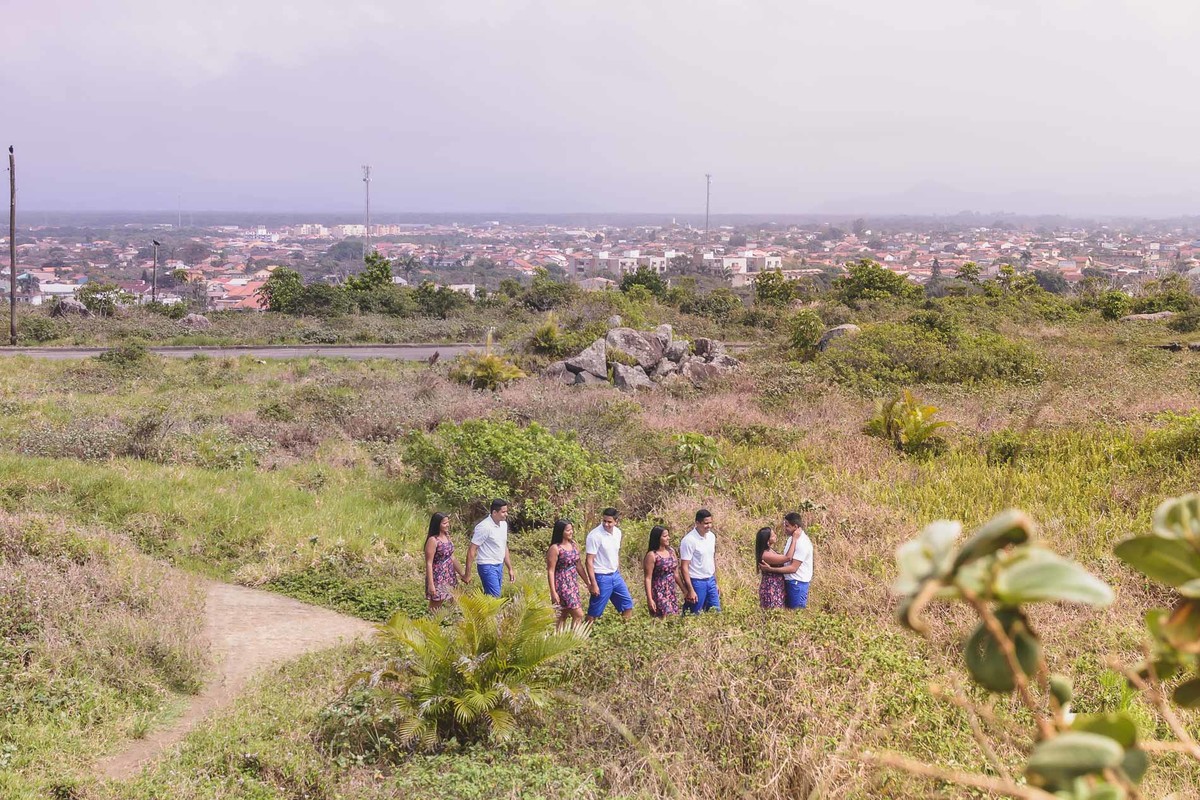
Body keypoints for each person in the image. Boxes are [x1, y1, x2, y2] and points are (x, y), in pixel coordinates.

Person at [583, 507, 634, 621]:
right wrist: (593, 583)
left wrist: (617, 570)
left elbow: (615, 554)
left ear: (616, 521)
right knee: (594, 612)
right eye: (604, 521)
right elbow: (589, 561)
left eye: (609, 522)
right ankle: (584, 635)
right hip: (601, 576)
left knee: (627, 605)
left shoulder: (618, 533)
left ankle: (624, 634)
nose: (606, 524)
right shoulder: (595, 536)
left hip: (615, 575)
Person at [759, 511, 813, 609]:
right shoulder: (792, 539)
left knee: (796, 614)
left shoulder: (801, 543)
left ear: (795, 527)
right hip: (788, 583)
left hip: (796, 583)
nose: (785, 529)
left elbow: (792, 568)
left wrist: (770, 569)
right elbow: (786, 559)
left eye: (787, 526)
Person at [465, 498, 514, 598]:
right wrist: (468, 573)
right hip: (487, 565)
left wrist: (510, 568)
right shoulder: (484, 527)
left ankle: (483, 613)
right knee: (495, 596)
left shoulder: (503, 525)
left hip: (499, 564)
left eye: (506, 511)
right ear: (494, 512)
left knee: (492, 597)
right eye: (503, 512)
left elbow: (504, 546)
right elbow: (472, 549)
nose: (506, 514)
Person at [679, 509, 721, 614]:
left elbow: (711, 560)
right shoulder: (689, 540)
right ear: (697, 523)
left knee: (715, 612)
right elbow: (684, 566)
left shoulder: (711, 537)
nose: (709, 526)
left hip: (710, 580)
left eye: (710, 522)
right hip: (697, 581)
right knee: (694, 613)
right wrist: (690, 590)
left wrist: (715, 582)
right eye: (706, 523)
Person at [546, 519, 584, 629]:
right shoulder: (555, 548)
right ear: (561, 531)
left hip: (572, 583)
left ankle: (560, 640)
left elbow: (579, 565)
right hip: (562, 584)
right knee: (578, 614)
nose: (571, 532)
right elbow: (551, 570)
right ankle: (574, 639)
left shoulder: (573, 545)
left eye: (571, 529)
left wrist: (588, 582)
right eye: (568, 530)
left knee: (563, 614)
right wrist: (553, 592)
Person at [424, 512, 466, 612]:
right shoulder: (433, 540)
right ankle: (432, 624)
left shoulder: (447, 536)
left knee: (455, 600)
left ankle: (450, 622)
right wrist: (431, 584)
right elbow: (429, 563)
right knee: (436, 604)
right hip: (438, 575)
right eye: (444, 523)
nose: (447, 525)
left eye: (448, 522)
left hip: (449, 574)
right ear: (437, 524)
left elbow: (452, 557)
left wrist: (462, 573)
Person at [643, 525, 682, 619]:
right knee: (664, 616)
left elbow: (675, 573)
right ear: (658, 538)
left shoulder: (671, 551)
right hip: (658, 591)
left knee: (674, 617)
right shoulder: (652, 555)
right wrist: (650, 599)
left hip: (671, 590)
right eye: (665, 536)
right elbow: (648, 578)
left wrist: (684, 589)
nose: (668, 538)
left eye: (668, 535)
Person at [754, 526, 786, 610]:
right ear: (767, 541)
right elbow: (787, 558)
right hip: (771, 587)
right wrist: (794, 540)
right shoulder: (766, 555)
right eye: (772, 535)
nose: (775, 535)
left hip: (776, 586)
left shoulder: (770, 551)